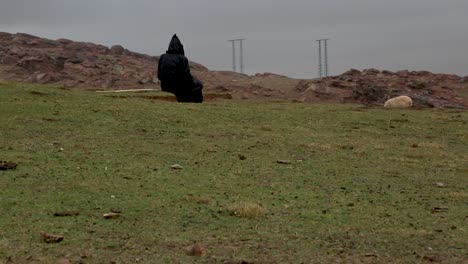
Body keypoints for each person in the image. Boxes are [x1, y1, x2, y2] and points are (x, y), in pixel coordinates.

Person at [157, 34, 203, 103]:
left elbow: (159, 75)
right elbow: (186, 75)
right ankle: (194, 102)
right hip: (178, 87)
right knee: (198, 84)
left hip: (164, 86)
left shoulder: (162, 57)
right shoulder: (182, 58)